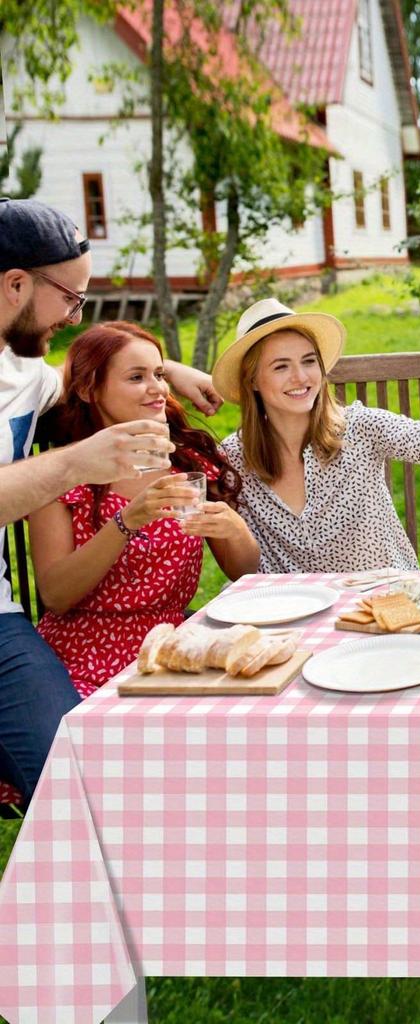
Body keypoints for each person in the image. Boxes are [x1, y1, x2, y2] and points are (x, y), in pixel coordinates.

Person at [0, 198, 219, 804]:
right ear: (17, 284)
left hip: (2, 626)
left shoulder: (24, 372)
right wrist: (76, 463)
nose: (74, 316)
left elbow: (90, 366)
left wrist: (167, 369)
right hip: (72, 626)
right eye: (70, 298)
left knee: (76, 772)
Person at [28, 323, 259, 696]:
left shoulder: (186, 462)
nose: (158, 389)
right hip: (83, 656)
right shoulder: (62, 474)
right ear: (89, 390)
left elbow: (244, 571)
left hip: (172, 648)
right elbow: (55, 596)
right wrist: (126, 521)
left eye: (160, 375)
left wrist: (234, 530)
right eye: (137, 377)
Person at [212, 298, 420, 572]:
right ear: (252, 380)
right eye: (281, 366)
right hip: (295, 617)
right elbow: (241, 567)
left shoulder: (358, 426)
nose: (301, 377)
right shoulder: (233, 459)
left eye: (309, 361)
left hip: (389, 601)